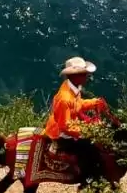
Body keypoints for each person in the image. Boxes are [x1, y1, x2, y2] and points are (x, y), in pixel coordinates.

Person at [43, 56, 108, 185]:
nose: (87, 76)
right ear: (76, 76)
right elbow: (65, 127)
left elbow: (78, 105)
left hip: (68, 125)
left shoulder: (72, 87)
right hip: (61, 133)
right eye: (84, 74)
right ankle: (87, 178)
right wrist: (89, 130)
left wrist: (94, 102)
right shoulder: (65, 98)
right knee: (90, 149)